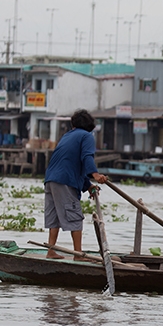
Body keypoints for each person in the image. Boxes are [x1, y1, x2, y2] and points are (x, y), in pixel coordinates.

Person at [44, 109, 108, 260]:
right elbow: (87, 157)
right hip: (64, 180)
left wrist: (88, 185)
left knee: (54, 216)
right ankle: (78, 254)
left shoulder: (68, 136)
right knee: (75, 216)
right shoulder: (86, 136)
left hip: (51, 179)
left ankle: (51, 250)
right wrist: (96, 175)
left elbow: (74, 164)